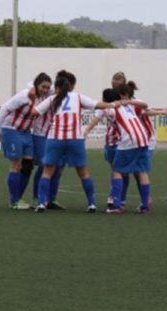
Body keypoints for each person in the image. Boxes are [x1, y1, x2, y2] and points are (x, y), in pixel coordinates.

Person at [32, 70, 113, 213]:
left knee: (47, 172)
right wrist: (115, 104)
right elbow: (98, 105)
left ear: (56, 88)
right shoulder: (78, 97)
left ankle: (41, 203)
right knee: (83, 171)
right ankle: (91, 203)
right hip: (75, 138)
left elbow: (35, 112)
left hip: (55, 138)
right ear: (70, 87)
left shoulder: (52, 99)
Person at [0, 73, 52, 210]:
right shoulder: (24, 95)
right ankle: (14, 201)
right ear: (37, 84)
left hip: (26, 133)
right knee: (16, 164)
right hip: (11, 130)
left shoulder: (41, 98)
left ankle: (18, 197)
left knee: (27, 165)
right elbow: (5, 108)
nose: (45, 90)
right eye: (43, 87)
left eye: (47, 88)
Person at [102, 84, 152, 214]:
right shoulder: (129, 106)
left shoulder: (111, 108)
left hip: (129, 141)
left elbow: (104, 109)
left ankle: (117, 205)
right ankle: (144, 205)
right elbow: (145, 104)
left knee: (117, 171)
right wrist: (127, 101)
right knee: (141, 171)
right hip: (143, 139)